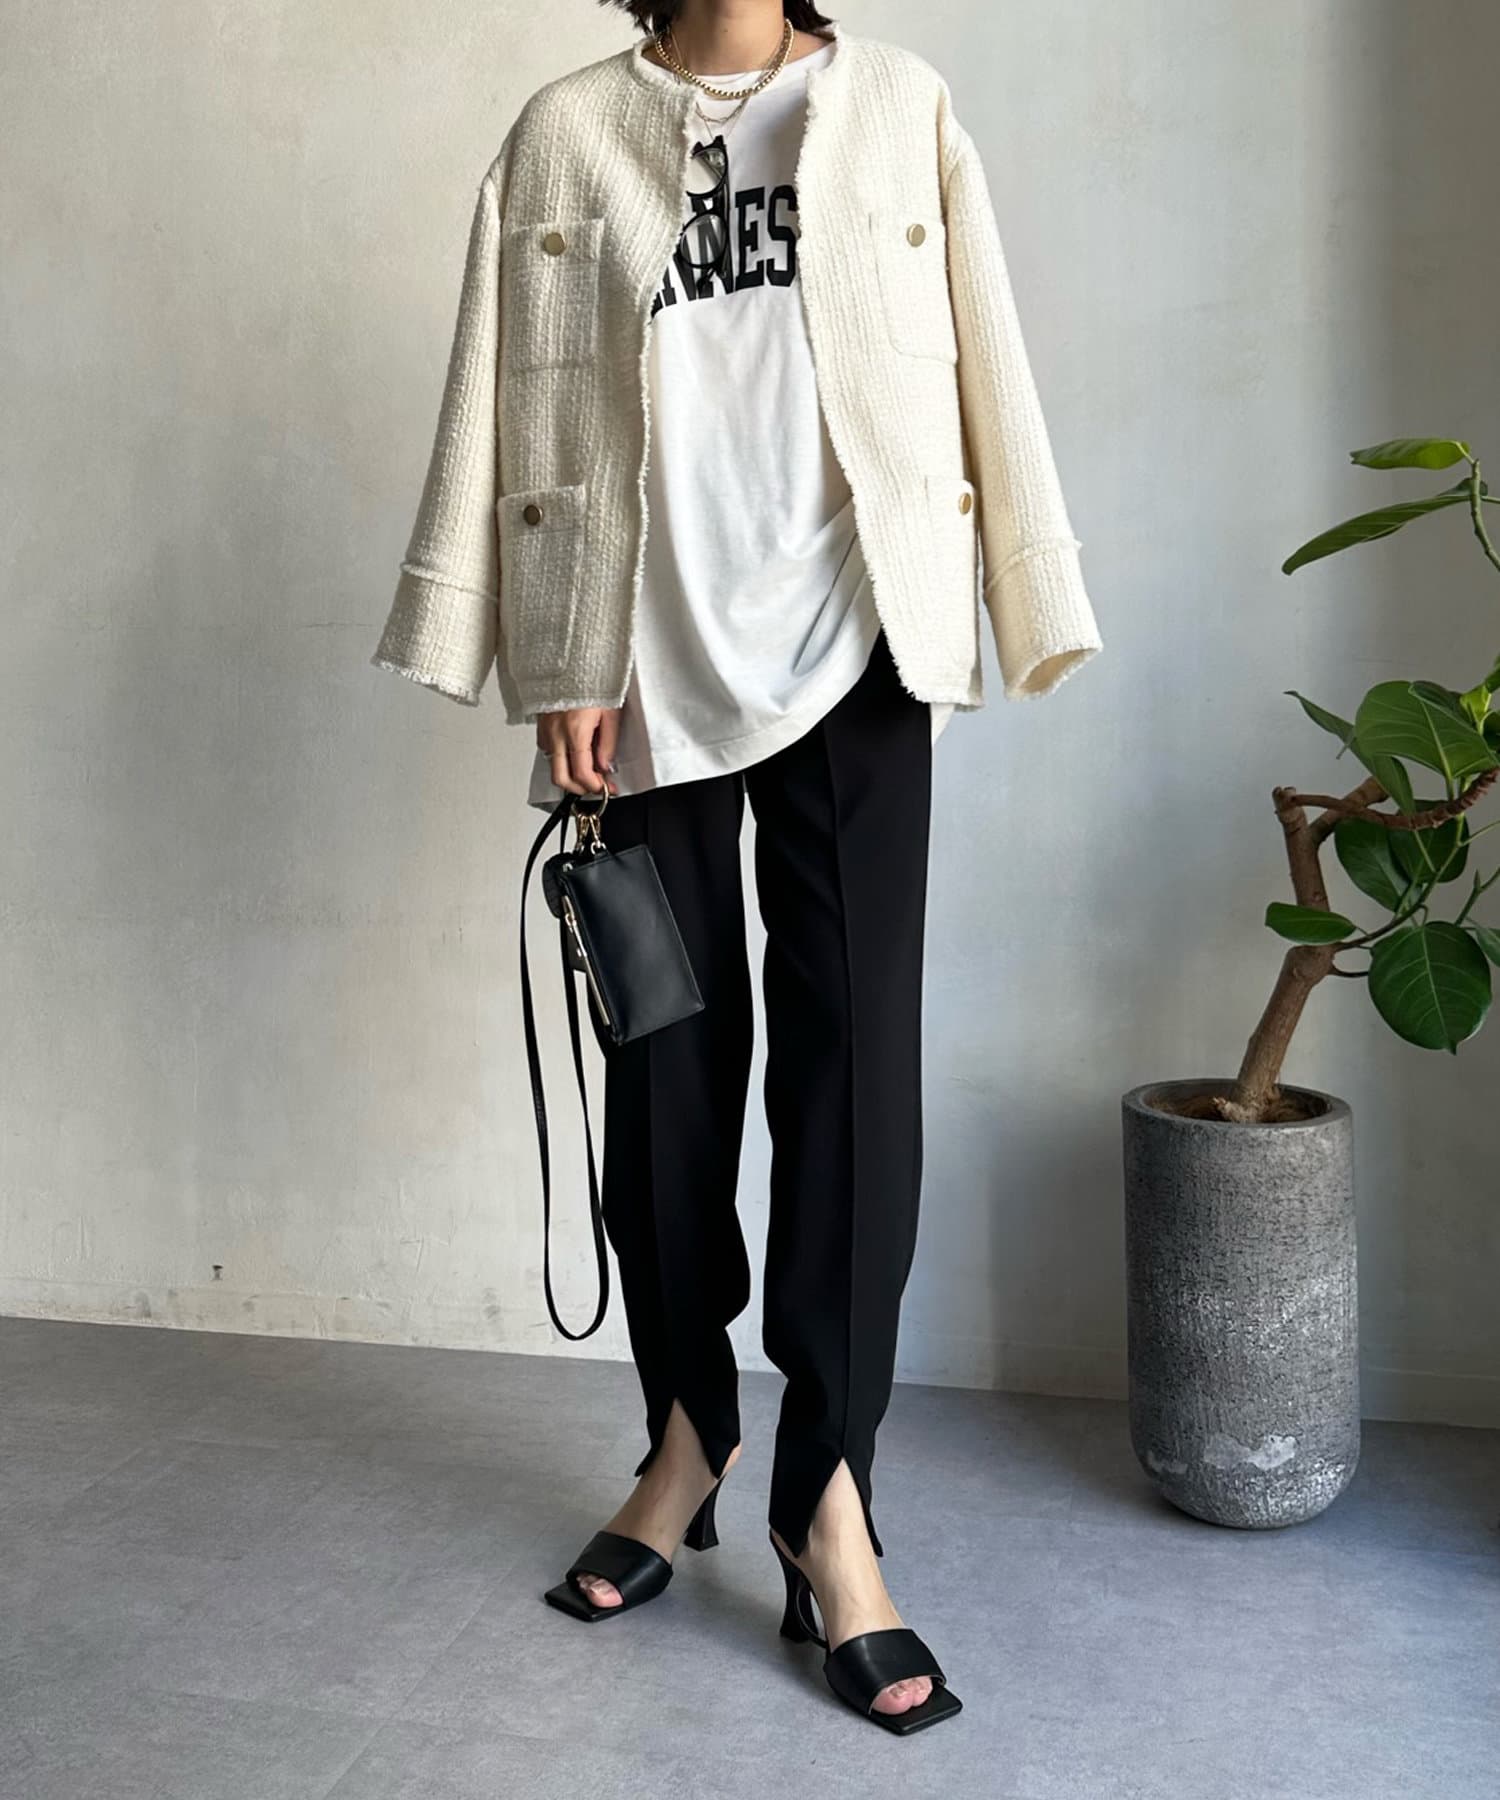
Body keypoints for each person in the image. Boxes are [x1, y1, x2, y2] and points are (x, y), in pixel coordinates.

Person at [372, 0, 1102, 1735]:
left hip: (861, 645)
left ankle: (829, 1498)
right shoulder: (566, 129)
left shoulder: (899, 104)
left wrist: (1026, 593)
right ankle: (687, 1438)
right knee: (667, 1084)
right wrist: (546, 652)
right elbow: (507, 391)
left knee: (857, 1087)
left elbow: (983, 350)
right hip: (639, 669)